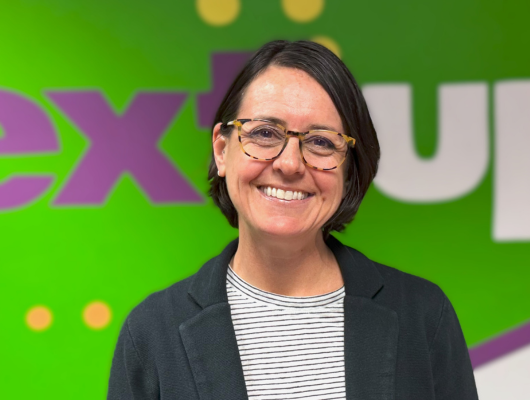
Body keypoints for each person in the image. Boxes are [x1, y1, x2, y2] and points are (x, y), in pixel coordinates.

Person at [107, 40, 478, 399]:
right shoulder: (152, 334)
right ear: (222, 150)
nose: (289, 164)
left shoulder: (425, 316)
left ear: (348, 170)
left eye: (321, 142)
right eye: (265, 133)